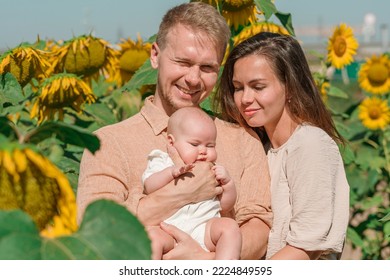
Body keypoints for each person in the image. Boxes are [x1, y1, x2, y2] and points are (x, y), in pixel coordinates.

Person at [76, 2, 272, 260]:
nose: (193, 78)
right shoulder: (108, 142)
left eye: (207, 68)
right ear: (155, 56)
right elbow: (96, 230)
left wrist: (202, 261)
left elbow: (258, 227)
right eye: (183, 62)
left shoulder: (242, 139)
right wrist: (184, 193)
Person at [214, 32, 350, 260]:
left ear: (289, 87)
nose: (245, 98)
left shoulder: (310, 144)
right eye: (238, 87)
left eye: (258, 87)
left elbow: (305, 249)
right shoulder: (259, 147)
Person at [142, 107, 241, 260]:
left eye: (210, 145)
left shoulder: (212, 169)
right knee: (151, 238)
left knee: (230, 227)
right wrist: (170, 173)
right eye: (195, 144)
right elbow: (149, 186)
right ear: (171, 142)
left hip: (203, 228)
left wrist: (228, 184)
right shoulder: (162, 160)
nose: (203, 151)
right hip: (168, 229)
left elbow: (225, 205)